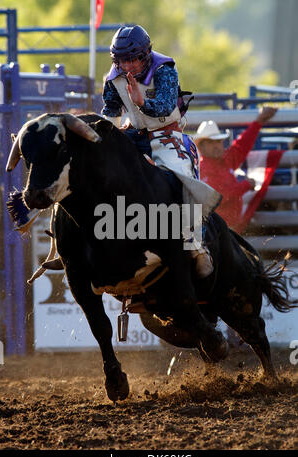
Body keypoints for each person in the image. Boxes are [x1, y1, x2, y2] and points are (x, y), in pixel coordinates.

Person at [102, 25, 222, 278]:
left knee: (182, 176)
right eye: (123, 60)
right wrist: (108, 141)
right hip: (133, 135)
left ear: (145, 54)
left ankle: (196, 246)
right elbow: (111, 111)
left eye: (133, 58)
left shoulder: (165, 69)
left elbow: (167, 107)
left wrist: (142, 102)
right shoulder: (113, 79)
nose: (129, 65)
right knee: (102, 171)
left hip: (167, 134)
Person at [194, 107, 278, 232]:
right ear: (201, 147)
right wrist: (245, 185)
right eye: (210, 142)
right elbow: (217, 198)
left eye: (218, 141)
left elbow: (241, 146)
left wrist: (258, 122)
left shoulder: (225, 160)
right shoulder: (203, 169)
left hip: (229, 230)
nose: (216, 145)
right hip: (218, 231)